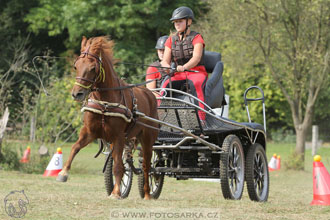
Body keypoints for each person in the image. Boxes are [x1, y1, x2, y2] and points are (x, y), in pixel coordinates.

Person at [161, 6, 208, 119]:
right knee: (165, 86)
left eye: (180, 21)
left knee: (196, 84)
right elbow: (165, 61)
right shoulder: (170, 40)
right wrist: (167, 67)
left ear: (189, 21)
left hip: (196, 72)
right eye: (175, 22)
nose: (177, 24)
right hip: (178, 74)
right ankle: (160, 119)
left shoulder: (197, 38)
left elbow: (196, 58)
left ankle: (202, 120)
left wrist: (185, 67)